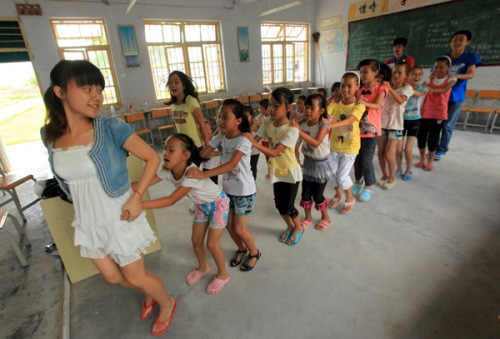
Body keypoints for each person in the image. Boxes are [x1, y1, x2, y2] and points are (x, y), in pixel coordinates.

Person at [41, 60, 176, 336]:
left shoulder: (110, 127)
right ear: (60, 92)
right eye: (87, 88)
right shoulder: (50, 136)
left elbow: (152, 158)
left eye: (99, 89)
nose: (96, 96)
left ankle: (166, 302)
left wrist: (137, 197)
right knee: (113, 276)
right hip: (88, 218)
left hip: (119, 214)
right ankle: (147, 292)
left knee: (134, 275)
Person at [141, 134, 231, 294]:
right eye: (165, 149)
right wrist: (122, 189)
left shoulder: (191, 173)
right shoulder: (168, 171)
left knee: (212, 244)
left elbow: (171, 200)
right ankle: (203, 267)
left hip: (218, 204)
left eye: (171, 150)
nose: (166, 153)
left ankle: (223, 275)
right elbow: (145, 183)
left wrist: (140, 205)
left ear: (186, 155)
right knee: (196, 240)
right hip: (202, 206)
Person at [187, 99, 260, 272]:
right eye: (219, 116)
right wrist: (186, 161)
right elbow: (203, 155)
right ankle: (241, 249)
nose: (220, 120)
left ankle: (254, 252)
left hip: (244, 191)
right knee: (229, 226)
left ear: (238, 120)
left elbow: (231, 165)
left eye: (225, 117)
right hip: (228, 191)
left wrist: (203, 174)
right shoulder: (221, 137)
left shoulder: (244, 140)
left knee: (239, 228)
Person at [245, 88, 303, 246]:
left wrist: (254, 143)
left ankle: (298, 227)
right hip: (276, 172)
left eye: (276, 106)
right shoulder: (267, 124)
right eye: (270, 105)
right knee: (279, 204)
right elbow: (253, 141)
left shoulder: (291, 130)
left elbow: (275, 152)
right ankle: (290, 226)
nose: (271, 109)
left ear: (288, 108)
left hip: (291, 173)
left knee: (289, 206)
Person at [435, 30, 481, 160]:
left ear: (467, 42)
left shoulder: (470, 56)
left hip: (456, 95)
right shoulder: (444, 58)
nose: (457, 42)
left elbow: (471, 74)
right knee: (437, 123)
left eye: (461, 39)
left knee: (448, 124)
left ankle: (442, 149)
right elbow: (434, 72)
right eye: (455, 40)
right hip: (440, 95)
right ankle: (434, 146)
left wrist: (455, 76)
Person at [291, 94, 335, 230]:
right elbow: (297, 142)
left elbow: (316, 143)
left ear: (321, 110)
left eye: (312, 107)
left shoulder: (323, 125)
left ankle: (326, 217)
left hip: (322, 165)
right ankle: (308, 217)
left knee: (318, 195)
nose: (308, 110)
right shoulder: (303, 124)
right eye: (306, 107)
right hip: (309, 163)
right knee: (305, 194)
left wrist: (299, 131)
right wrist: (296, 155)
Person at [327, 72, 365, 213]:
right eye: (343, 85)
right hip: (335, 145)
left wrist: (330, 126)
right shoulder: (335, 104)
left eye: (349, 86)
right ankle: (338, 193)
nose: (345, 89)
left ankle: (349, 198)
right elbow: (325, 114)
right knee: (330, 173)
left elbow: (350, 120)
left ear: (357, 87)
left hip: (350, 147)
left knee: (342, 177)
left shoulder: (359, 105)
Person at [353, 59, 389, 201]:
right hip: (357, 130)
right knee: (356, 158)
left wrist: (364, 103)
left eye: (366, 72)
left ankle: (368, 185)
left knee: (366, 160)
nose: (362, 75)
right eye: (361, 72)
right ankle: (358, 181)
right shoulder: (359, 89)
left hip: (371, 131)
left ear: (375, 72)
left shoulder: (381, 88)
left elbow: (378, 105)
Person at [377, 63, 414, 190]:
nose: (396, 75)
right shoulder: (386, 87)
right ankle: (384, 175)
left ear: (406, 76)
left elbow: (400, 101)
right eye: (394, 73)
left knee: (388, 153)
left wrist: (390, 89)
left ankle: (392, 176)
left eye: (400, 73)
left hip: (396, 126)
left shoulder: (407, 88)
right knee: (380, 153)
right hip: (383, 125)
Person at [417, 56, 457, 171]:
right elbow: (423, 88)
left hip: (438, 113)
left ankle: (430, 161)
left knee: (433, 138)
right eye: (436, 67)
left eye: (441, 67)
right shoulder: (431, 78)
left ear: (448, 67)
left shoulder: (451, 79)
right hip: (425, 112)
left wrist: (429, 88)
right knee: (421, 136)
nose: (438, 69)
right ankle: (422, 159)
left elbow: (444, 90)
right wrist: (428, 83)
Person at [396, 66, 428, 181]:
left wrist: (407, 87)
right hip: (401, 120)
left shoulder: (423, 88)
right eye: (414, 74)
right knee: (398, 149)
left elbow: (418, 94)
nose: (417, 77)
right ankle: (399, 168)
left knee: (408, 150)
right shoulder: (402, 88)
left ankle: (408, 169)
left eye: (419, 74)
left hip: (415, 120)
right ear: (408, 76)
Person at [165, 71, 211, 151]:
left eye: (176, 82)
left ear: (184, 86)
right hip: (182, 146)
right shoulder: (173, 105)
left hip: (195, 146)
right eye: (170, 82)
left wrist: (207, 146)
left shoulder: (190, 101)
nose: (172, 85)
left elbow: (202, 124)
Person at [243, 105, 261, 181]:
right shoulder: (241, 125)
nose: (245, 118)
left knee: (253, 167)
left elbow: (248, 134)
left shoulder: (254, 123)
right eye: (243, 116)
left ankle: (253, 181)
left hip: (254, 151)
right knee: (245, 167)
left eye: (247, 116)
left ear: (252, 116)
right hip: (245, 150)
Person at [200, 120, 220, 185]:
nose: (208, 131)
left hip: (215, 168)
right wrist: (217, 153)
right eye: (206, 129)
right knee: (207, 185)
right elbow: (208, 153)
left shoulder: (214, 140)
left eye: (210, 129)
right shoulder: (201, 143)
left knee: (214, 184)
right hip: (206, 168)